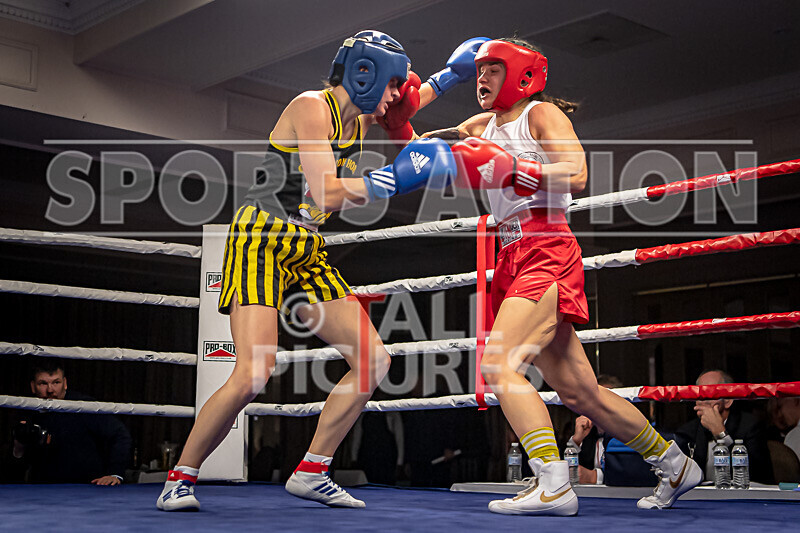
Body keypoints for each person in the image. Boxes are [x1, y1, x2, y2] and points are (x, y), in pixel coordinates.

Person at [157, 30, 479, 511]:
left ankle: (312, 470)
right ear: (365, 74)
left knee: (374, 361)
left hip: (306, 246)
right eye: (390, 84)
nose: (394, 94)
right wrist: (399, 176)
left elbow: (411, 102)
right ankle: (179, 478)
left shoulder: (366, 116)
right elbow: (327, 193)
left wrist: (452, 77)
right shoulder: (311, 107)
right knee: (252, 373)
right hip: (261, 237)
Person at [422, 37, 701, 515]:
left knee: (499, 364)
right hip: (511, 253)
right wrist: (437, 83)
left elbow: (576, 175)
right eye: (478, 71)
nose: (481, 80)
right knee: (579, 392)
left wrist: (515, 168)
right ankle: (673, 463)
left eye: (491, 70)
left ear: (519, 74)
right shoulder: (478, 126)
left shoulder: (541, 115)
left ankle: (553, 483)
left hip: (546, 245)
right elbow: (416, 146)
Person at [9, 360, 131, 485]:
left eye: (56, 382)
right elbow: (13, 466)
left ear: (65, 383)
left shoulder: (83, 406)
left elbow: (120, 434)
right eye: (43, 383)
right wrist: (19, 447)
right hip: (43, 490)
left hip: (87, 488)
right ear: (33, 387)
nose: (50, 390)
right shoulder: (25, 411)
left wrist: (115, 473)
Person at [675, 369, 773, 484]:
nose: (701, 400)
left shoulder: (750, 426)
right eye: (698, 394)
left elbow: (759, 474)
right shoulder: (687, 432)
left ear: (727, 400)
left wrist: (721, 434)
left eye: (709, 393)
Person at [564, 375, 622, 485]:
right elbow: (566, 470)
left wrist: (596, 477)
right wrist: (576, 440)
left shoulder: (628, 433)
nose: (600, 406)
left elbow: (635, 473)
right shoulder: (587, 432)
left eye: (606, 400)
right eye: (595, 400)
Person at [770, 396, 800, 461]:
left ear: (795, 399)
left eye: (780, 406)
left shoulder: (795, 436)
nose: (780, 414)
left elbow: (788, 470)